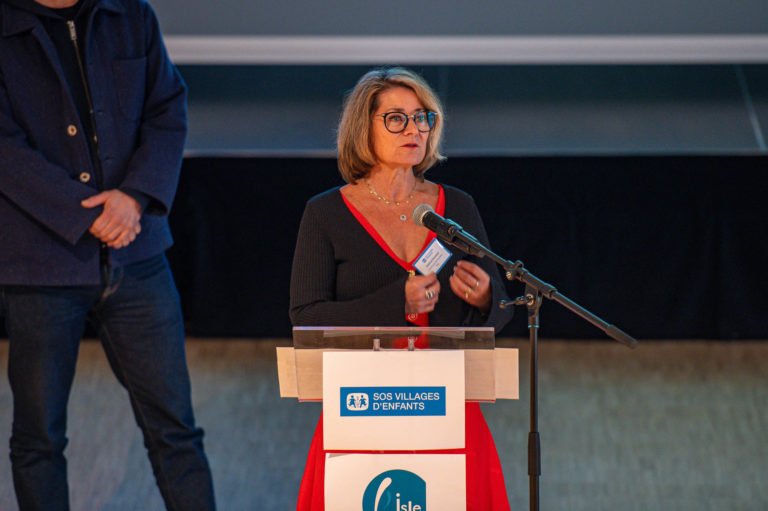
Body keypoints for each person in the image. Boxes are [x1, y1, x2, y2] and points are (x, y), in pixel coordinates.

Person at [0, 0, 216, 509]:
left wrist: (134, 196)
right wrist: (84, 212)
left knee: (176, 430)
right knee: (39, 439)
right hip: (40, 265)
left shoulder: (130, 13)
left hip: (137, 257)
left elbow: (167, 109)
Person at [289, 67, 513, 510]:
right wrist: (398, 301)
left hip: (447, 398)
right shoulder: (325, 214)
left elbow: (502, 305)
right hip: (362, 402)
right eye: (396, 118)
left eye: (422, 118)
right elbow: (307, 316)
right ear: (363, 128)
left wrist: (486, 298)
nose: (414, 129)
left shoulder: (458, 206)